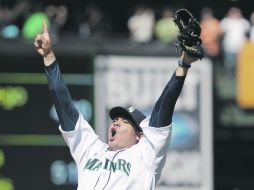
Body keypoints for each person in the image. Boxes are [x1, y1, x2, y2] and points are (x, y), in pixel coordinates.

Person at [34, 20, 199, 190]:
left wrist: (183, 65)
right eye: (116, 119)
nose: (116, 122)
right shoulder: (90, 149)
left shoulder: (146, 155)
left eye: (125, 121)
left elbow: (163, 109)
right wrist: (48, 56)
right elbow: (64, 104)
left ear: (140, 136)